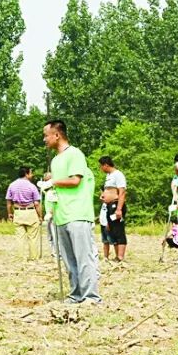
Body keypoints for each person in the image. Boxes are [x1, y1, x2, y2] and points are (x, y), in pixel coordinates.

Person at [42, 120, 101, 305]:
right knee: (69, 260)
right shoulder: (56, 160)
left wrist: (54, 182)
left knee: (84, 257)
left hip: (77, 214)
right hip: (61, 215)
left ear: (57, 135)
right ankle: (76, 293)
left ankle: (91, 296)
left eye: (46, 135)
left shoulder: (74, 154)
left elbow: (75, 180)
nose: (44, 139)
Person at [5, 167, 42, 260]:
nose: (32, 175)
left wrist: (10, 213)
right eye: (31, 173)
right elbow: (37, 203)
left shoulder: (12, 185)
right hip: (30, 212)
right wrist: (40, 216)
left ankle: (20, 257)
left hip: (18, 212)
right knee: (33, 237)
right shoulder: (32, 186)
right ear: (26, 174)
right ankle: (33, 257)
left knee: (19, 237)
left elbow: (9, 203)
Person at [97, 157, 127, 262]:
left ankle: (120, 257)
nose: (100, 168)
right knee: (112, 230)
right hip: (108, 206)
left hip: (116, 205)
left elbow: (122, 192)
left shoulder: (118, 175)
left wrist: (119, 209)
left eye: (101, 166)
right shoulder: (108, 176)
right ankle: (116, 255)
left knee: (118, 230)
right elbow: (108, 190)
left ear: (106, 165)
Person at [38, 172, 59, 257]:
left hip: (53, 215)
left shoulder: (54, 191)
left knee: (55, 234)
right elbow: (41, 184)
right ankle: (53, 251)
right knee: (50, 235)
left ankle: (58, 252)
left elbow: (56, 203)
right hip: (48, 215)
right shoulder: (46, 190)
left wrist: (51, 212)